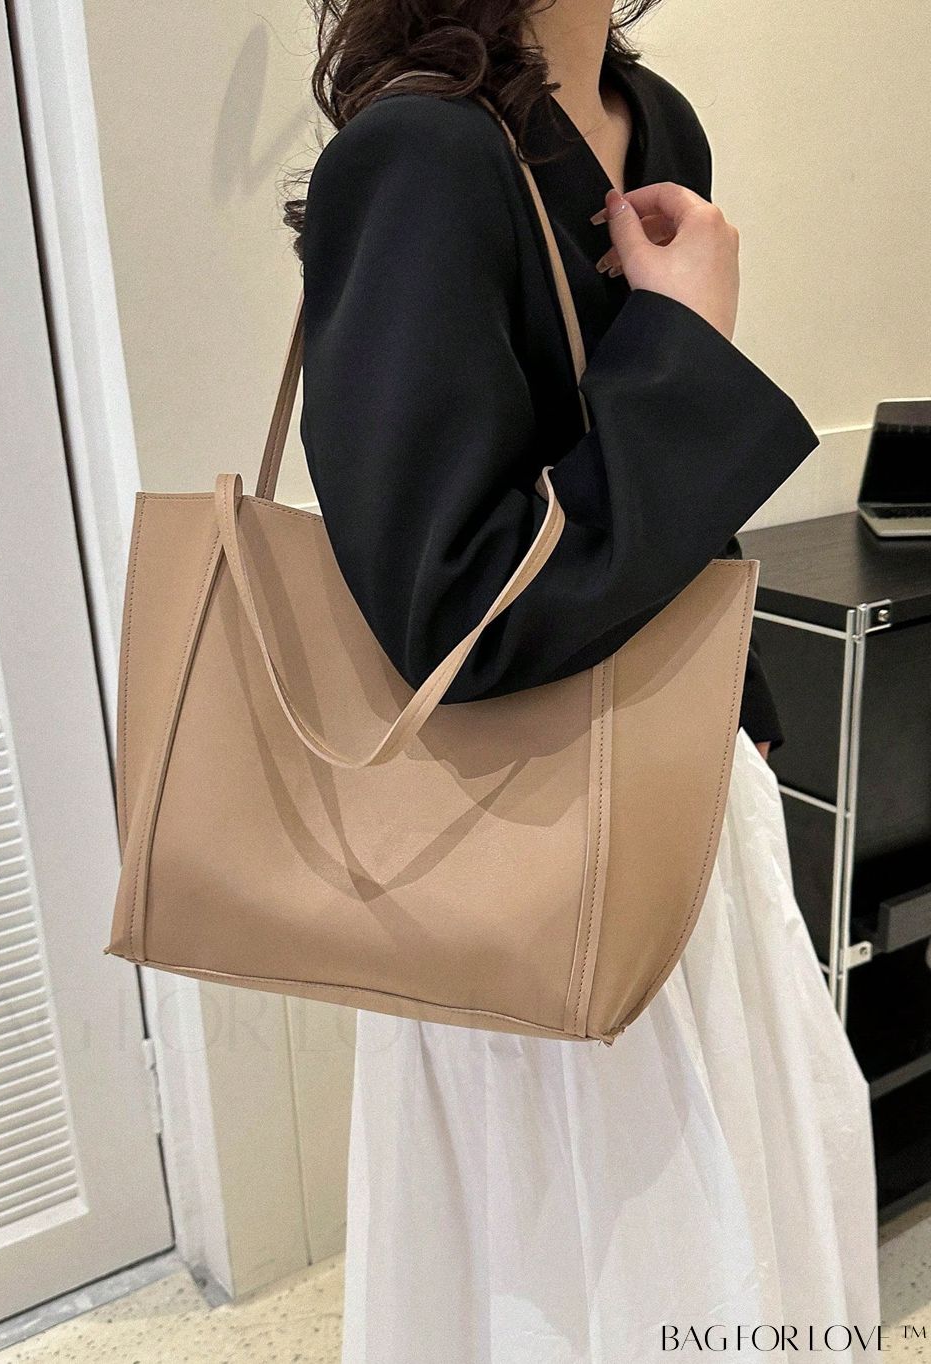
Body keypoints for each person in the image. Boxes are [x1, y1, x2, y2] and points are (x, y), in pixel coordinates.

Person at [285, 0, 881, 1357]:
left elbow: (662, 506)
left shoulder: (651, 121)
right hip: (521, 845)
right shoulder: (420, 154)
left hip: (684, 781)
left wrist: (742, 705)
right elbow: (453, 615)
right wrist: (688, 347)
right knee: (605, 1263)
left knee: (742, 1209)